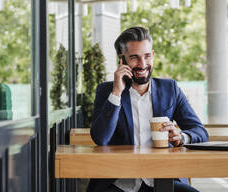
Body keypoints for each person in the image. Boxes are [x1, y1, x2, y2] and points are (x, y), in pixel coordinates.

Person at [87, 27, 208, 192]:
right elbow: (101, 138)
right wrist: (116, 92)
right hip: (120, 182)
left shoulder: (170, 89)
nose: (143, 64)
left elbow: (199, 131)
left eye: (147, 56)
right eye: (134, 58)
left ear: (153, 55)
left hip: (164, 178)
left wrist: (181, 137)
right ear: (122, 60)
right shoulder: (106, 91)